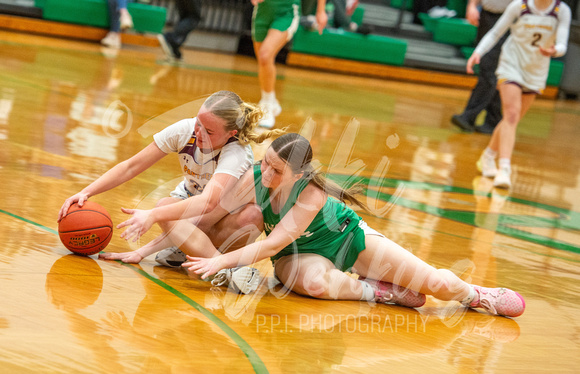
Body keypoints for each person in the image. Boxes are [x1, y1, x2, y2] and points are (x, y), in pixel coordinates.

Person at [117, 133, 526, 317]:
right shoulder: (256, 177)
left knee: (435, 285)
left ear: (297, 174)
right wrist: (143, 250)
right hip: (302, 256)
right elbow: (199, 217)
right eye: (264, 162)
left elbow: (268, 245)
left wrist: (220, 264)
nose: (265, 171)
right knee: (313, 285)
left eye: (275, 169)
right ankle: (378, 293)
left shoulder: (311, 195)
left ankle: (475, 294)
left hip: (350, 241)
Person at [58, 91, 284, 268]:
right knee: (168, 206)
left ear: (230, 134)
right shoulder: (184, 130)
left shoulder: (237, 152)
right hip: (191, 210)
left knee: (252, 216)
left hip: (223, 218)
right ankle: (198, 254)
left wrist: (152, 221)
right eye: (198, 122)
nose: (198, 132)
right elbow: (131, 166)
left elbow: (208, 203)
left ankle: (223, 266)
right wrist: (86, 192)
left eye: (209, 131)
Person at [467, 0, 571, 188]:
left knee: (511, 120)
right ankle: (505, 169)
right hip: (511, 64)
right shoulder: (519, 6)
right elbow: (495, 32)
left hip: (536, 70)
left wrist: (555, 50)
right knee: (512, 115)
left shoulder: (561, 11)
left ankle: (488, 155)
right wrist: (478, 52)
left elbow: (563, 43)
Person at [251, 0, 328, 129]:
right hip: (262, 11)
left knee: (265, 55)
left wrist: (320, 11)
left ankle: (267, 106)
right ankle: (270, 100)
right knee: (263, 61)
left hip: (286, 11)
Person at [451, 0, 512, 134]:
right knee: (490, 68)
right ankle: (493, 120)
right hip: (486, 16)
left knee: (489, 68)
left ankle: (468, 117)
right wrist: (472, 6)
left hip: (507, 20)